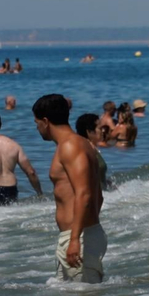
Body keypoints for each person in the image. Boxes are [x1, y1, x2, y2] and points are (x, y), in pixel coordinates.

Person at [33, 95, 106, 282]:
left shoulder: (70, 146)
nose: (36, 128)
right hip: (79, 235)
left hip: (79, 238)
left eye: (37, 123)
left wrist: (76, 239)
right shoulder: (80, 144)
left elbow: (85, 193)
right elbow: (98, 195)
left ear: (46, 121)